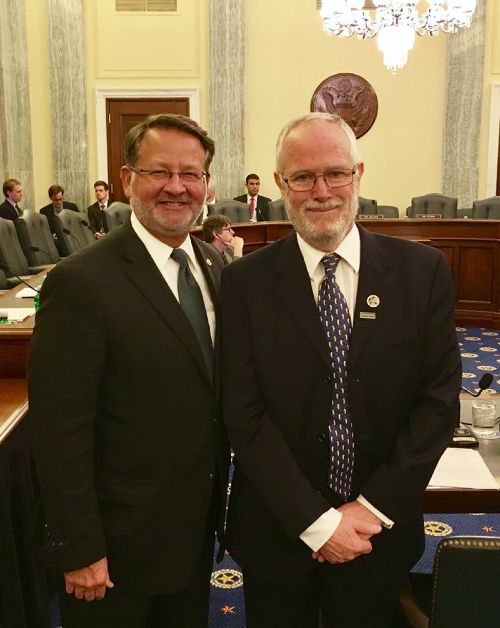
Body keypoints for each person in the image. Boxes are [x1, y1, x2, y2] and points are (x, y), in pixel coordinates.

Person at [221, 112, 461, 627]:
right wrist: (315, 521)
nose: (321, 190)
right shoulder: (244, 283)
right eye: (302, 177)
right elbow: (244, 413)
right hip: (279, 536)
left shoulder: (423, 273)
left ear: (359, 173)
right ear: (281, 183)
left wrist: (370, 509)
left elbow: (438, 403)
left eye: (336, 173)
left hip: (378, 536)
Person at [29, 113, 230, 628]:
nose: (176, 187)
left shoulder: (214, 265)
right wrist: (79, 546)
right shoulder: (81, 282)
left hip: (193, 530)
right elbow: (59, 429)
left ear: (207, 185)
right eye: (159, 171)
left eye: (191, 174)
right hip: (115, 550)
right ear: (127, 179)